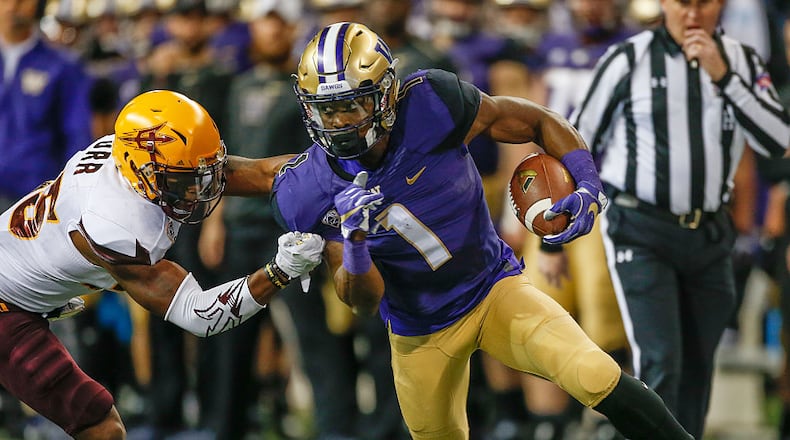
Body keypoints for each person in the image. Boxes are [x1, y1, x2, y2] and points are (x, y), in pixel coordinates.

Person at [272, 21, 693, 440]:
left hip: (493, 290)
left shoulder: (432, 104)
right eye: (328, 108)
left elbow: (536, 120)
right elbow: (362, 301)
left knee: (596, 373)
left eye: (354, 104)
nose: (341, 120)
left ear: (386, 95)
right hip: (418, 330)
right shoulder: (306, 188)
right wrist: (356, 243)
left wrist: (586, 181)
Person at [0, 89, 325, 439]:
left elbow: (260, 173)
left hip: (22, 283)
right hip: (7, 308)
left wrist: (334, 168)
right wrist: (280, 270)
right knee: (101, 428)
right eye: (183, 180)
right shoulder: (116, 226)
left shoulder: (140, 159)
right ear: (142, 172)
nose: (197, 191)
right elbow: (200, 314)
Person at [570, 0, 790, 437]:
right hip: (641, 227)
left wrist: (725, 78)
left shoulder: (742, 60)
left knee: (696, 368)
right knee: (661, 362)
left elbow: (779, 141)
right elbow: (576, 141)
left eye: (703, 2)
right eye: (681, 2)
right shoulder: (626, 58)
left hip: (710, 232)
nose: (692, 15)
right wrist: (557, 236)